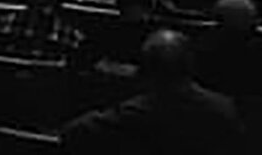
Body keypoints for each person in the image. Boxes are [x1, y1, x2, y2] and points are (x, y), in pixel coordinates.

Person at [61, 27, 248, 155]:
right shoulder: (224, 108)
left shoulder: (134, 113)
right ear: (191, 65)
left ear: (146, 71)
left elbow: (73, 133)